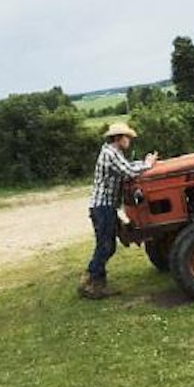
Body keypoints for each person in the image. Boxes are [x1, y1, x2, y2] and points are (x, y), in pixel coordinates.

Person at [78, 122, 158, 299]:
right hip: (103, 207)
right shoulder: (109, 154)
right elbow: (129, 171)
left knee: (108, 246)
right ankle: (89, 280)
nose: (129, 140)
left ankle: (97, 283)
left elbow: (128, 165)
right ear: (118, 138)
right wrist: (148, 164)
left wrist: (144, 163)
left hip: (106, 207)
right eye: (127, 137)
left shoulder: (114, 153)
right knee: (105, 246)